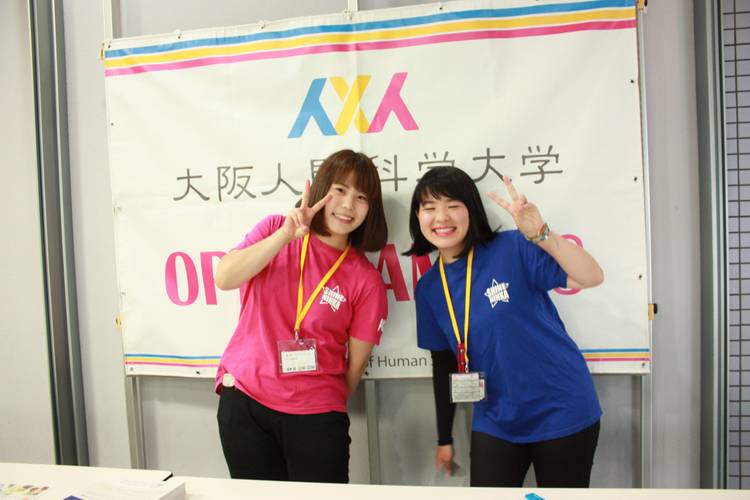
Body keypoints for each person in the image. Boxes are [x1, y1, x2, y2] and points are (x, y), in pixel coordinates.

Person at [406, 166, 604, 487]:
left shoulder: (512, 248)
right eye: (429, 208)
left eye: (453, 205)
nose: (441, 217)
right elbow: (443, 363)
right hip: (495, 418)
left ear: (472, 210)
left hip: (560, 407)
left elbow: (591, 276)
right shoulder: (429, 288)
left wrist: (541, 234)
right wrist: (445, 437)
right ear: (418, 217)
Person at [214, 149, 388, 483]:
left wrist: (313, 400)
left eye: (361, 197)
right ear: (322, 190)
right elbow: (224, 277)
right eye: (340, 190)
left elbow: (354, 367)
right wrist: (284, 236)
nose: (348, 205)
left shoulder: (365, 279)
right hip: (246, 401)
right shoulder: (274, 229)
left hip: (317, 415)